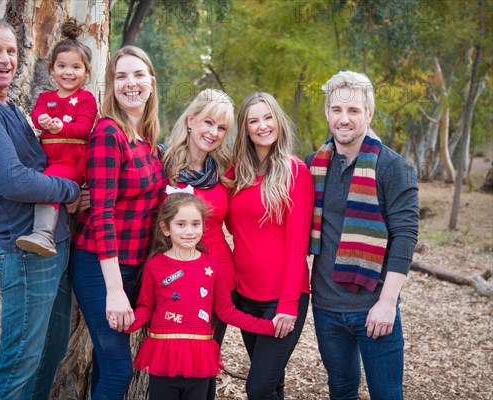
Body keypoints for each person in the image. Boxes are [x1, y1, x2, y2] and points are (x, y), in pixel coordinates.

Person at [0, 18, 81, 399]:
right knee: (20, 362)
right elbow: (13, 180)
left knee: (47, 356)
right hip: (24, 253)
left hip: (52, 249)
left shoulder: (8, 106)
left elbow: (38, 166)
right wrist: (69, 189)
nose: (5, 58)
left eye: (11, 51)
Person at [305, 70, 419, 400]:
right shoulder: (314, 164)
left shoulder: (393, 167)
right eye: (337, 110)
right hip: (326, 307)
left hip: (374, 308)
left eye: (353, 110)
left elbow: (405, 235)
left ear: (369, 114)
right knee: (341, 391)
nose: (344, 119)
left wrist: (387, 303)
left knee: (387, 394)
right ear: (327, 112)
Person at [111, 192, 287, 400]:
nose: (189, 231)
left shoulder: (211, 266)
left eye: (196, 224)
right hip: (164, 356)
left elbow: (227, 312)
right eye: (181, 224)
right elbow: (146, 308)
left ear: (204, 226)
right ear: (166, 229)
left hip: (199, 358)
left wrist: (268, 326)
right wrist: (128, 323)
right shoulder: (155, 266)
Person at [69, 45, 167, 399]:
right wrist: (114, 291)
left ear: (152, 83)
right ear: (111, 86)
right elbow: (102, 214)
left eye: (139, 75)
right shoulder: (108, 133)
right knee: (119, 371)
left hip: (132, 266)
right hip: (99, 265)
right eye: (121, 76)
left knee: (105, 364)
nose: (131, 83)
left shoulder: (149, 141)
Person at [226, 92, 314, 400]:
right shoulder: (235, 173)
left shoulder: (295, 172)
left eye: (268, 117)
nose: (262, 126)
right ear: (245, 128)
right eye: (254, 120)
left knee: (258, 388)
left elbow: (298, 244)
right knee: (273, 384)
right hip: (245, 296)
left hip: (282, 299)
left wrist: (288, 305)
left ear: (278, 121)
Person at [158, 88, 236, 400]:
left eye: (222, 128)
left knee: (205, 365)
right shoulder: (162, 161)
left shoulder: (225, 171)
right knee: (172, 366)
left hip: (217, 278)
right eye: (208, 123)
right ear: (191, 120)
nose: (214, 133)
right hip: (172, 279)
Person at [16, 18, 97, 256]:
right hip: (47, 157)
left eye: (76, 67)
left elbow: (83, 129)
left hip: (72, 161)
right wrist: (42, 120)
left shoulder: (86, 99)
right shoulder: (46, 97)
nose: (68, 72)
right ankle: (12, 229)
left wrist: (59, 127)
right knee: (22, 178)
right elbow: (38, 112)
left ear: (86, 71)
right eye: (62, 66)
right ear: (52, 69)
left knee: (48, 182)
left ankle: (43, 234)